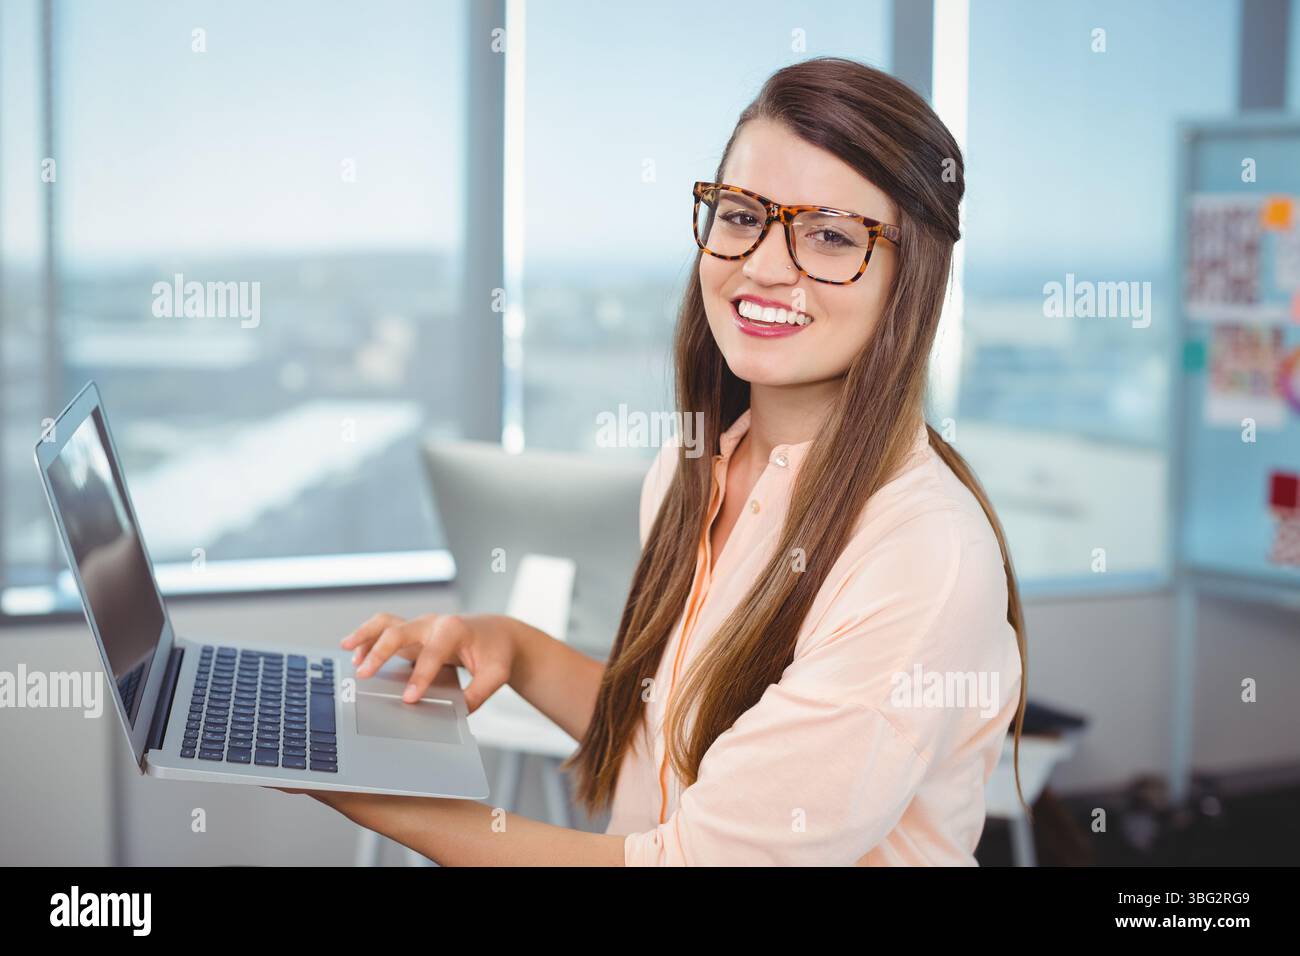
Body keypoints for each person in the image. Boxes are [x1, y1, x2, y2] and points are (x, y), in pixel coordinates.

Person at [283, 56, 1027, 866]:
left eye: (829, 235)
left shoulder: (921, 557)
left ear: (911, 278)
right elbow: (670, 737)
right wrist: (513, 645)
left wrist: (375, 791)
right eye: (741, 215)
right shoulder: (693, 469)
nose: (765, 266)